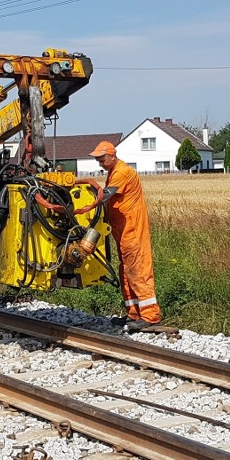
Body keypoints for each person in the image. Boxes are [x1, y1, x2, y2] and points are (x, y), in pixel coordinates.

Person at [89, 141, 162, 332]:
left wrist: (84, 204)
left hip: (133, 230)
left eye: (102, 160)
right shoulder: (114, 172)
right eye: (98, 160)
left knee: (138, 270)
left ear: (112, 156)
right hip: (123, 231)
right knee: (127, 270)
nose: (100, 164)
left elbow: (105, 195)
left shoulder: (122, 172)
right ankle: (134, 314)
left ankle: (150, 316)